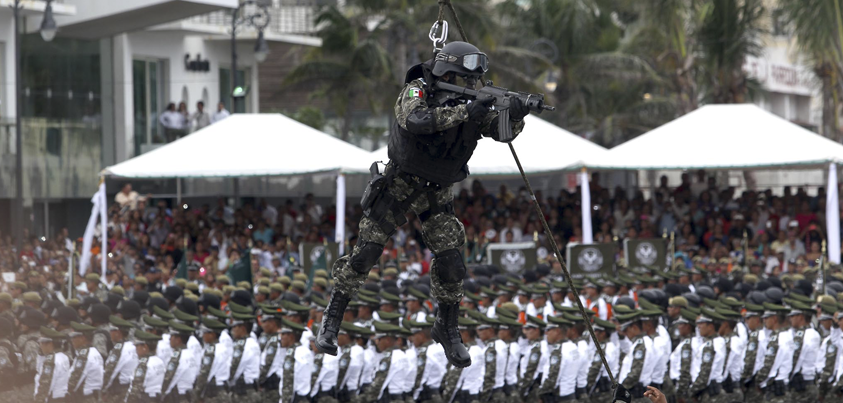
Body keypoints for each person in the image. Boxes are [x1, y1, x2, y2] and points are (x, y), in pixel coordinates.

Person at [317, 40, 531, 369]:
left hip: (438, 188)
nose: (471, 87)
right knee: (366, 253)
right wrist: (465, 111)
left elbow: (501, 134)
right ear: (450, 72)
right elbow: (413, 119)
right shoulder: (418, 89)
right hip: (400, 181)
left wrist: (515, 116)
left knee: (451, 263)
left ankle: (446, 327)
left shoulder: (474, 103)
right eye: (466, 79)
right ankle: (332, 319)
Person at [193, 318, 231, 403]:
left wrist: (196, 395)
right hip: (223, 391)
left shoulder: (211, 351)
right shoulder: (222, 348)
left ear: (212, 334)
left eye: (205, 333)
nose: (203, 335)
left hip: (213, 395)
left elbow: (205, 374)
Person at [278, 318, 313, 403]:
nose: (280, 337)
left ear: (291, 336)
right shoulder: (305, 350)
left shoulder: (292, 353)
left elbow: (289, 381)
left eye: (283, 334)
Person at [67, 322, 104, 403]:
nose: (72, 340)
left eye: (74, 337)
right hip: (92, 397)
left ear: (83, 338)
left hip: (84, 399)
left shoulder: (84, 355)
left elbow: (74, 381)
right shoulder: (94, 352)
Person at [161, 321, 198, 402]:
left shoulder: (177, 356)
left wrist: (161, 395)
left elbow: (169, 378)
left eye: (172, 336)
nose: (169, 339)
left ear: (178, 340)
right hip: (188, 396)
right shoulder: (190, 354)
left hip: (177, 397)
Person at [125, 330, 165, 402]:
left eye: (137, 346)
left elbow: (136, 387)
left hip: (144, 398)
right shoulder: (160, 361)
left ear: (145, 347)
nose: (136, 349)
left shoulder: (144, 363)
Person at [35, 327, 71, 402]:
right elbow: (39, 370)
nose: (40, 346)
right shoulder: (63, 356)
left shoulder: (50, 360)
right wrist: (41, 355)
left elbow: (45, 385)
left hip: (52, 399)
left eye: (41, 343)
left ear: (50, 343)